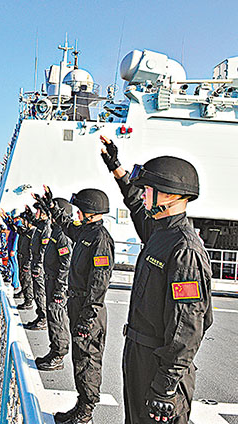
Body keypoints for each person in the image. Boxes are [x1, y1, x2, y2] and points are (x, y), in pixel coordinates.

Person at [100, 136, 213, 424]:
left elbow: (188, 325)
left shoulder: (184, 249)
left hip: (161, 365)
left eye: (148, 189)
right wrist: (117, 169)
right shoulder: (159, 233)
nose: (144, 194)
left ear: (169, 194)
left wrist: (166, 386)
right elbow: (136, 205)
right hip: (139, 356)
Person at [39, 185, 114, 424]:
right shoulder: (85, 233)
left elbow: (99, 282)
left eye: (80, 210)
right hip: (78, 303)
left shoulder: (100, 239)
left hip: (88, 308)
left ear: (90, 211)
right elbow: (67, 226)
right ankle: (81, 403)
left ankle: (86, 411)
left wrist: (88, 316)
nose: (77, 214)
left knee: (88, 360)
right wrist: (51, 207)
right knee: (79, 359)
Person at [33, 197, 73, 371]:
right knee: (52, 317)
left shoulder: (62, 236)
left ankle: (58, 355)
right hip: (50, 280)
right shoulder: (55, 231)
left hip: (57, 284)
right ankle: (53, 350)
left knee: (57, 319)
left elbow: (66, 263)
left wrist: (60, 288)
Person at [23, 205, 51, 329]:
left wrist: (39, 265)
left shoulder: (46, 227)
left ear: (43, 213)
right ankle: (40, 315)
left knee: (40, 291)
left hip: (39, 265)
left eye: (38, 211)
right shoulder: (40, 225)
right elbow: (32, 221)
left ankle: (43, 318)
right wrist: (29, 212)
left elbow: (43, 249)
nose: (36, 213)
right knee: (36, 290)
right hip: (35, 262)